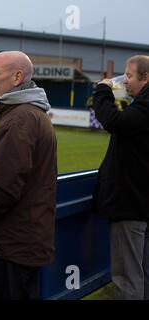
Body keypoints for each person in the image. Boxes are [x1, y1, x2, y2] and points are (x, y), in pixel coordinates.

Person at [0, 51, 57, 300]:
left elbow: (3, 188)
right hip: (20, 244)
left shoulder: (21, 119)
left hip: (9, 247)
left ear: (17, 77)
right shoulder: (30, 115)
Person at [92, 55, 149, 300]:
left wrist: (102, 92)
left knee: (128, 278)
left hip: (131, 204)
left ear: (145, 78)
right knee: (143, 274)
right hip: (141, 204)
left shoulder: (145, 106)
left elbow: (113, 121)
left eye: (129, 75)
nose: (124, 81)